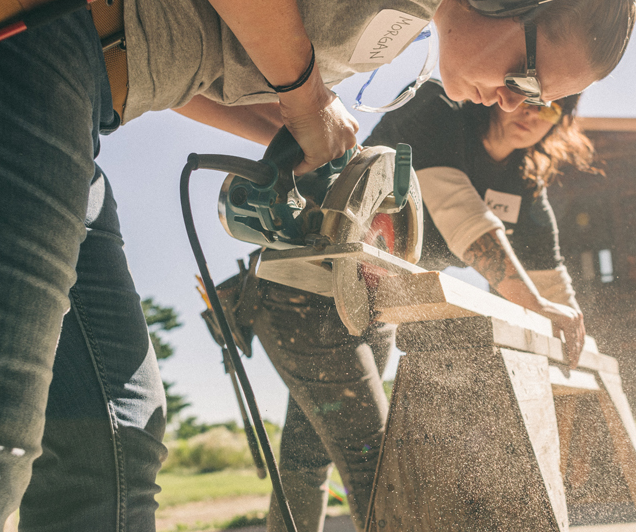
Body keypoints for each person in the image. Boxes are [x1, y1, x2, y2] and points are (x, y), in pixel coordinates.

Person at [0, 0, 636, 529]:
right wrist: (305, 97)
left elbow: (186, 61)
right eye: (526, 79)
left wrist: (288, 120)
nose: (516, 101)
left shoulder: (405, 22)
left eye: (544, 101)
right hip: (50, 5)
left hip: (93, 81)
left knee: (122, 437)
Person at [225, 81, 597, 532]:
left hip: (375, 300)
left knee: (308, 457)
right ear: (505, 94)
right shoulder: (439, 108)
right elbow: (456, 207)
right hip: (303, 296)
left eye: (553, 109)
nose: (535, 113)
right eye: (532, 98)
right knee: (377, 463)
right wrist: (535, 303)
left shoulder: (523, 182)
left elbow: (552, 285)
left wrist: (581, 344)